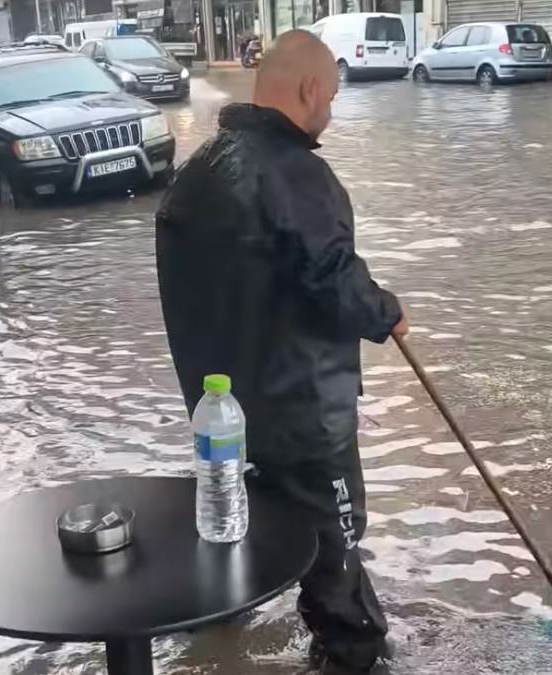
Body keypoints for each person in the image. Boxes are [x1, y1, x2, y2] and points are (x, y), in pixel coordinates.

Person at [154, 30, 406, 674]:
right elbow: (333, 279)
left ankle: (222, 645)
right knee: (336, 538)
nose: (331, 111)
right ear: (310, 89)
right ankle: (352, 654)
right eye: (332, 97)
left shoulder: (196, 173)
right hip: (304, 411)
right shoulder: (299, 174)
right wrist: (386, 311)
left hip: (225, 414)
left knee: (251, 527)